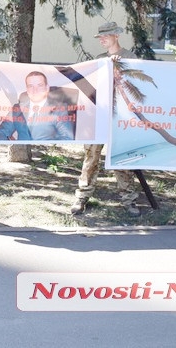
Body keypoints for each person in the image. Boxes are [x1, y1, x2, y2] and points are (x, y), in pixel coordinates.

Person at [70, 21, 140, 216]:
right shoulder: (99, 60)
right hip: (99, 116)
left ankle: (129, 200)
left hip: (121, 117)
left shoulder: (130, 58)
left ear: (116, 36)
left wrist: (120, 67)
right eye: (100, 37)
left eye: (106, 36)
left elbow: (135, 86)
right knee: (91, 157)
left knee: (121, 158)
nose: (102, 39)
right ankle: (82, 197)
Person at [0, 71, 74, 141]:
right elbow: (0, 133)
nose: (35, 90)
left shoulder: (59, 110)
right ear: (27, 89)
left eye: (40, 85)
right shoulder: (17, 108)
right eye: (30, 86)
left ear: (47, 88)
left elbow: (67, 138)